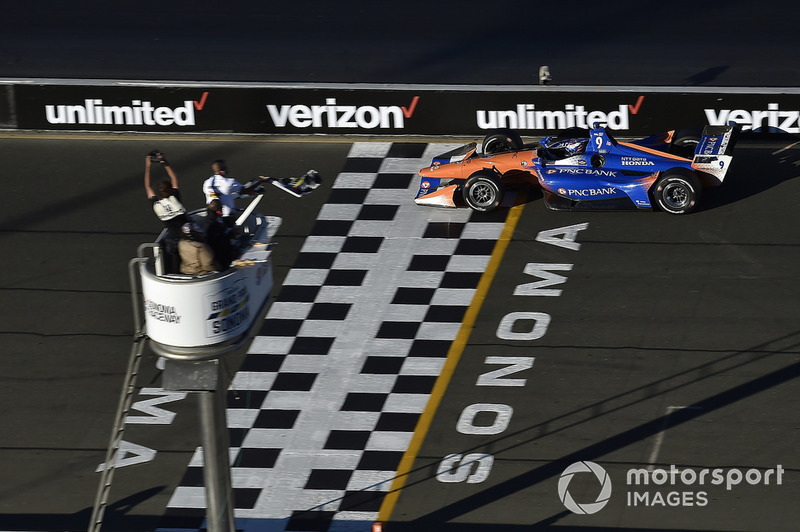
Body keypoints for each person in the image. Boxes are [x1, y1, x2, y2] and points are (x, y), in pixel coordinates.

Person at [144, 150, 186, 274]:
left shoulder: (157, 206)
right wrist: (164, 162)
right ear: (171, 191)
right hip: (187, 235)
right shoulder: (175, 199)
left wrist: (148, 165)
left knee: (174, 264)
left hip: (172, 239)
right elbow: (174, 177)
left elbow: (148, 186)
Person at [202, 159, 260, 225]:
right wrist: (261, 182)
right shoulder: (230, 182)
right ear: (222, 171)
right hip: (227, 219)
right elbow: (247, 190)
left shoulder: (206, 183)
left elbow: (220, 195)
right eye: (225, 168)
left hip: (212, 218)